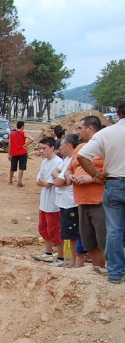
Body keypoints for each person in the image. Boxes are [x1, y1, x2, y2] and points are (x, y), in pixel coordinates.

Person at [77, 97, 125, 283]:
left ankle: (115, 272)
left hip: (113, 182)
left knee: (114, 230)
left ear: (118, 112)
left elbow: (82, 157)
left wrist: (97, 176)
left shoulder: (107, 133)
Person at [70, 115, 106, 271]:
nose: (78, 132)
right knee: (90, 243)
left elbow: (114, 174)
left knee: (105, 242)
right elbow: (69, 169)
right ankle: (99, 272)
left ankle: (112, 272)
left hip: (100, 202)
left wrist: (90, 179)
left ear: (90, 128)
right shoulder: (79, 148)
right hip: (81, 201)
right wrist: (69, 176)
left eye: (80, 128)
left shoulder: (105, 147)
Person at [32, 138, 65, 263]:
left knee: (54, 229)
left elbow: (48, 183)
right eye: (40, 148)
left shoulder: (58, 162)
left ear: (52, 148)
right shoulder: (44, 162)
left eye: (44, 148)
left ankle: (60, 257)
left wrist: (44, 182)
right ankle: (48, 252)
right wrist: (44, 182)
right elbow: (39, 180)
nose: (41, 151)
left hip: (53, 203)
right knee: (43, 227)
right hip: (44, 201)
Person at [52, 133, 81, 268]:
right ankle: (73, 260)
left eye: (62, 145)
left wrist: (60, 179)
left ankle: (75, 262)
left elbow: (57, 181)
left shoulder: (71, 160)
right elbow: (55, 174)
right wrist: (61, 178)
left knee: (73, 234)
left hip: (70, 202)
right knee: (69, 234)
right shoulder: (66, 159)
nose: (60, 148)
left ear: (69, 145)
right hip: (64, 202)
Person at [8, 121, 34, 187]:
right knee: (21, 168)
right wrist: (26, 145)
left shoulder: (12, 134)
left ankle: (10, 181)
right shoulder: (23, 133)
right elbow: (32, 139)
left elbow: (10, 145)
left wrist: (9, 154)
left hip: (14, 153)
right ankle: (19, 182)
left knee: (12, 167)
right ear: (22, 126)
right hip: (22, 152)